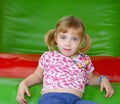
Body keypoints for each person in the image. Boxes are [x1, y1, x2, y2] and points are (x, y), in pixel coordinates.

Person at [16, 16, 114, 104]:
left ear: (81, 42)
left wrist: (102, 79)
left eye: (74, 39)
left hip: (76, 100)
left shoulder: (84, 59)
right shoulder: (48, 56)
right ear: (56, 38)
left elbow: (89, 79)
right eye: (63, 37)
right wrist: (24, 83)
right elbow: (37, 76)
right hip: (52, 99)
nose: (68, 43)